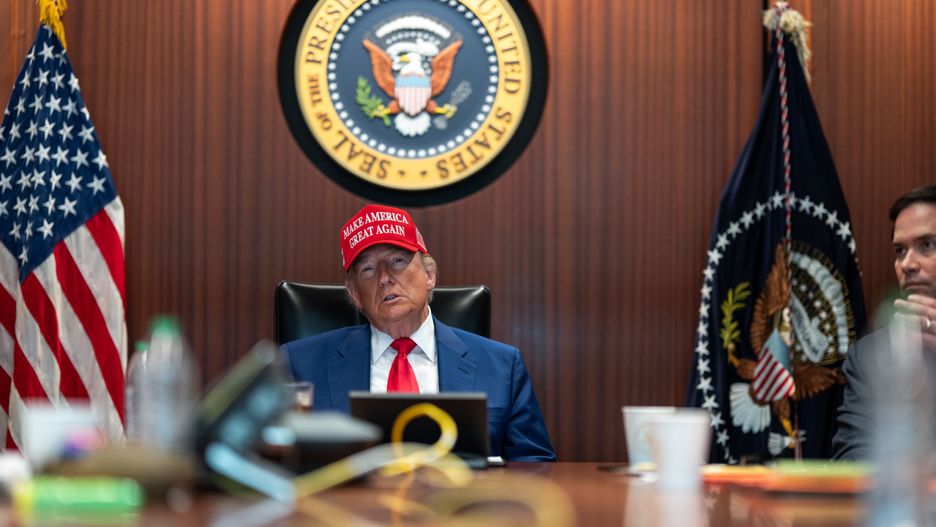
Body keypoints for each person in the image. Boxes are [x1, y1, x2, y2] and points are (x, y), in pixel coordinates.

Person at [283, 204, 556, 461]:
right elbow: (275, 463)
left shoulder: (502, 367)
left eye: (399, 260)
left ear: (429, 275)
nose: (385, 277)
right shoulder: (299, 364)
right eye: (368, 268)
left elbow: (535, 466)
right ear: (355, 295)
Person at [833, 185, 936, 461]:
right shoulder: (869, 356)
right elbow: (851, 458)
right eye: (900, 251)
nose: (907, 264)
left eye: (927, 244)